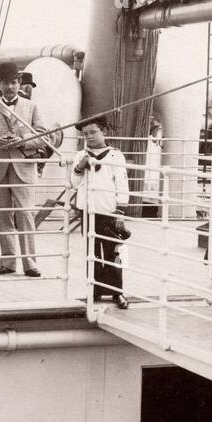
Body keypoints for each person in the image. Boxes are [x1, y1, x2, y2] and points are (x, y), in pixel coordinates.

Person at [0, 62, 51, 277]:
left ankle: (30, 263)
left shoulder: (31, 108)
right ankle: (8, 262)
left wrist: (23, 141)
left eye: (13, 82)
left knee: (25, 214)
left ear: (19, 83)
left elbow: (43, 136)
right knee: (3, 216)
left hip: (23, 169)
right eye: (5, 82)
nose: (9, 87)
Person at [71, 116, 130, 308]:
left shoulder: (114, 155)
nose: (88, 137)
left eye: (93, 132)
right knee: (92, 253)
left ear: (104, 132)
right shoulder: (80, 155)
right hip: (88, 212)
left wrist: (120, 211)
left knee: (112, 252)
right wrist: (80, 168)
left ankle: (117, 292)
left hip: (108, 211)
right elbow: (74, 182)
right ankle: (94, 290)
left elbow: (122, 183)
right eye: (85, 134)